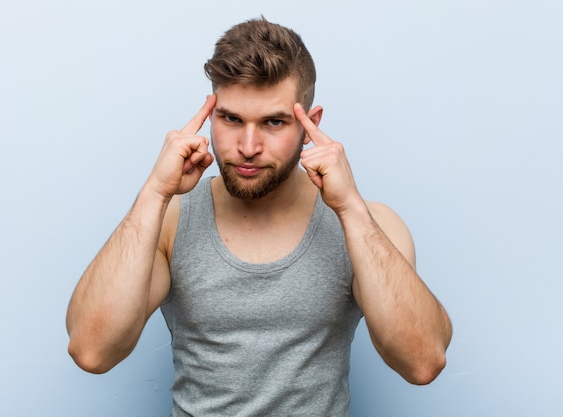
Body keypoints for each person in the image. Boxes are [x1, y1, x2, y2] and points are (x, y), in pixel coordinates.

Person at [66, 17, 452, 416]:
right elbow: (92, 352)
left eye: (273, 122)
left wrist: (351, 208)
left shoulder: (368, 223)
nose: (248, 146)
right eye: (231, 119)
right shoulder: (169, 220)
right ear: (211, 116)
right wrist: (154, 192)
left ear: (310, 125)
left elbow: (422, 362)